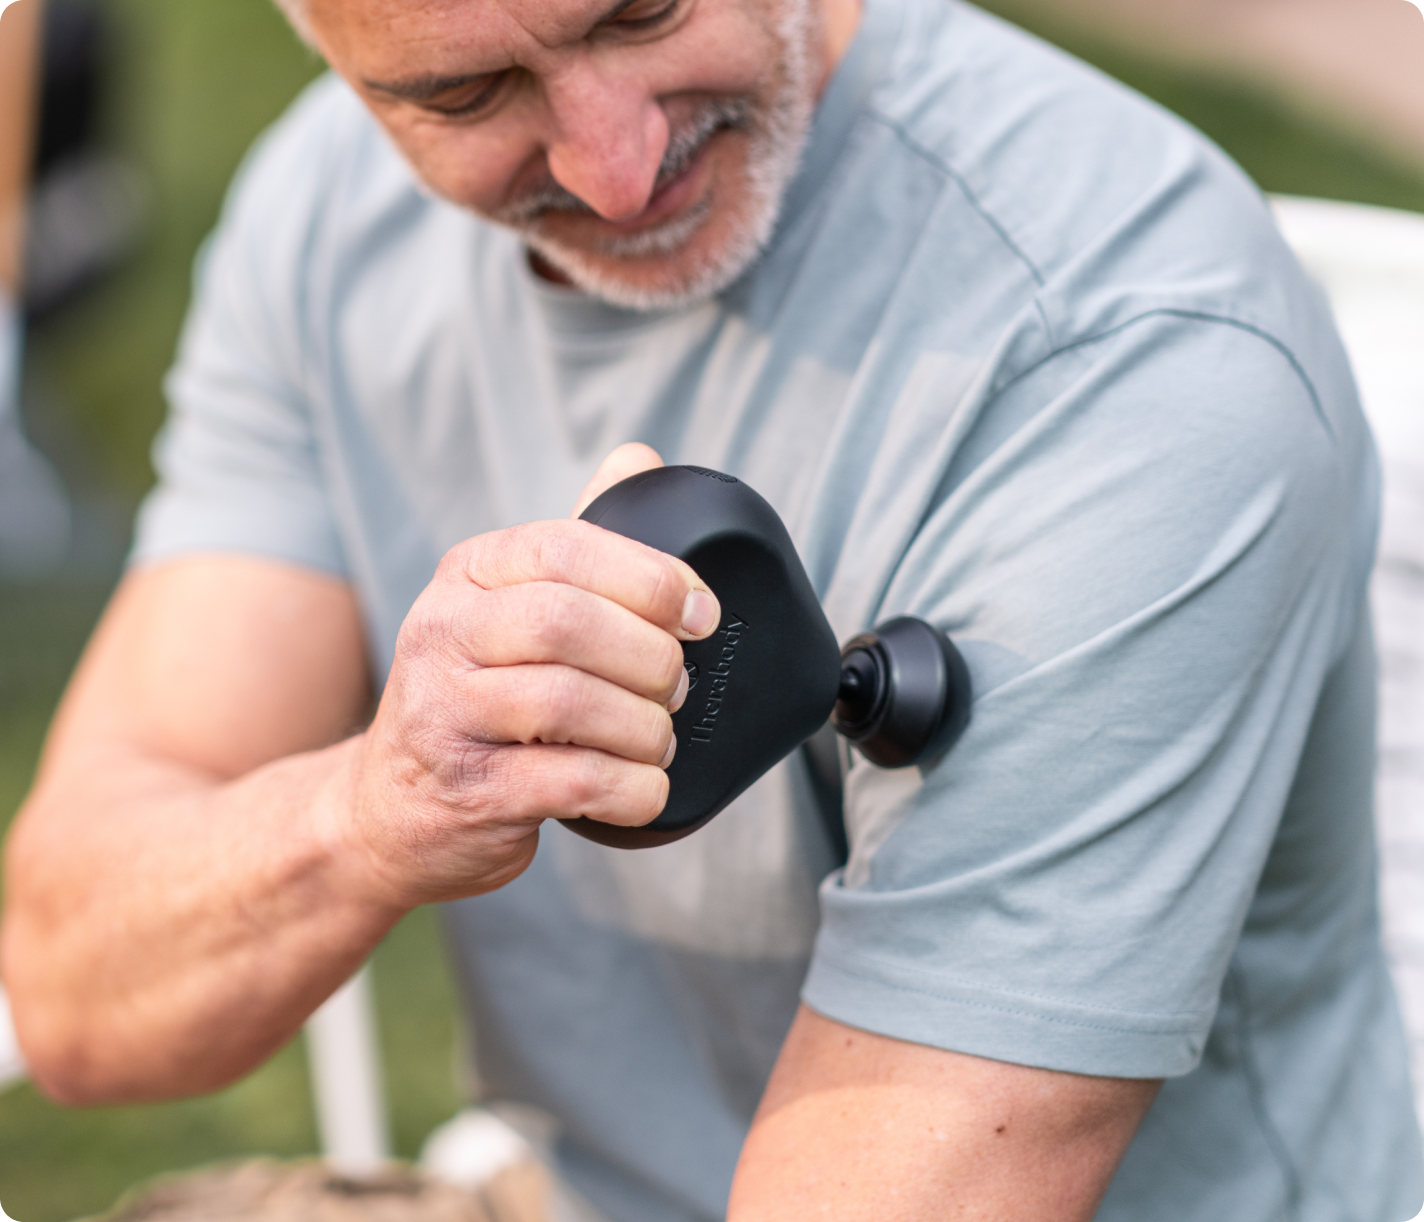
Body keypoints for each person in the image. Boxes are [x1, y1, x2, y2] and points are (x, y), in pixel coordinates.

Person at [2, 0, 1421, 1215]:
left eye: (643, 10)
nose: (615, 172)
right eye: (465, 93)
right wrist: (373, 813)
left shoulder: (1126, 368)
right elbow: (72, 992)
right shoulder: (327, 212)